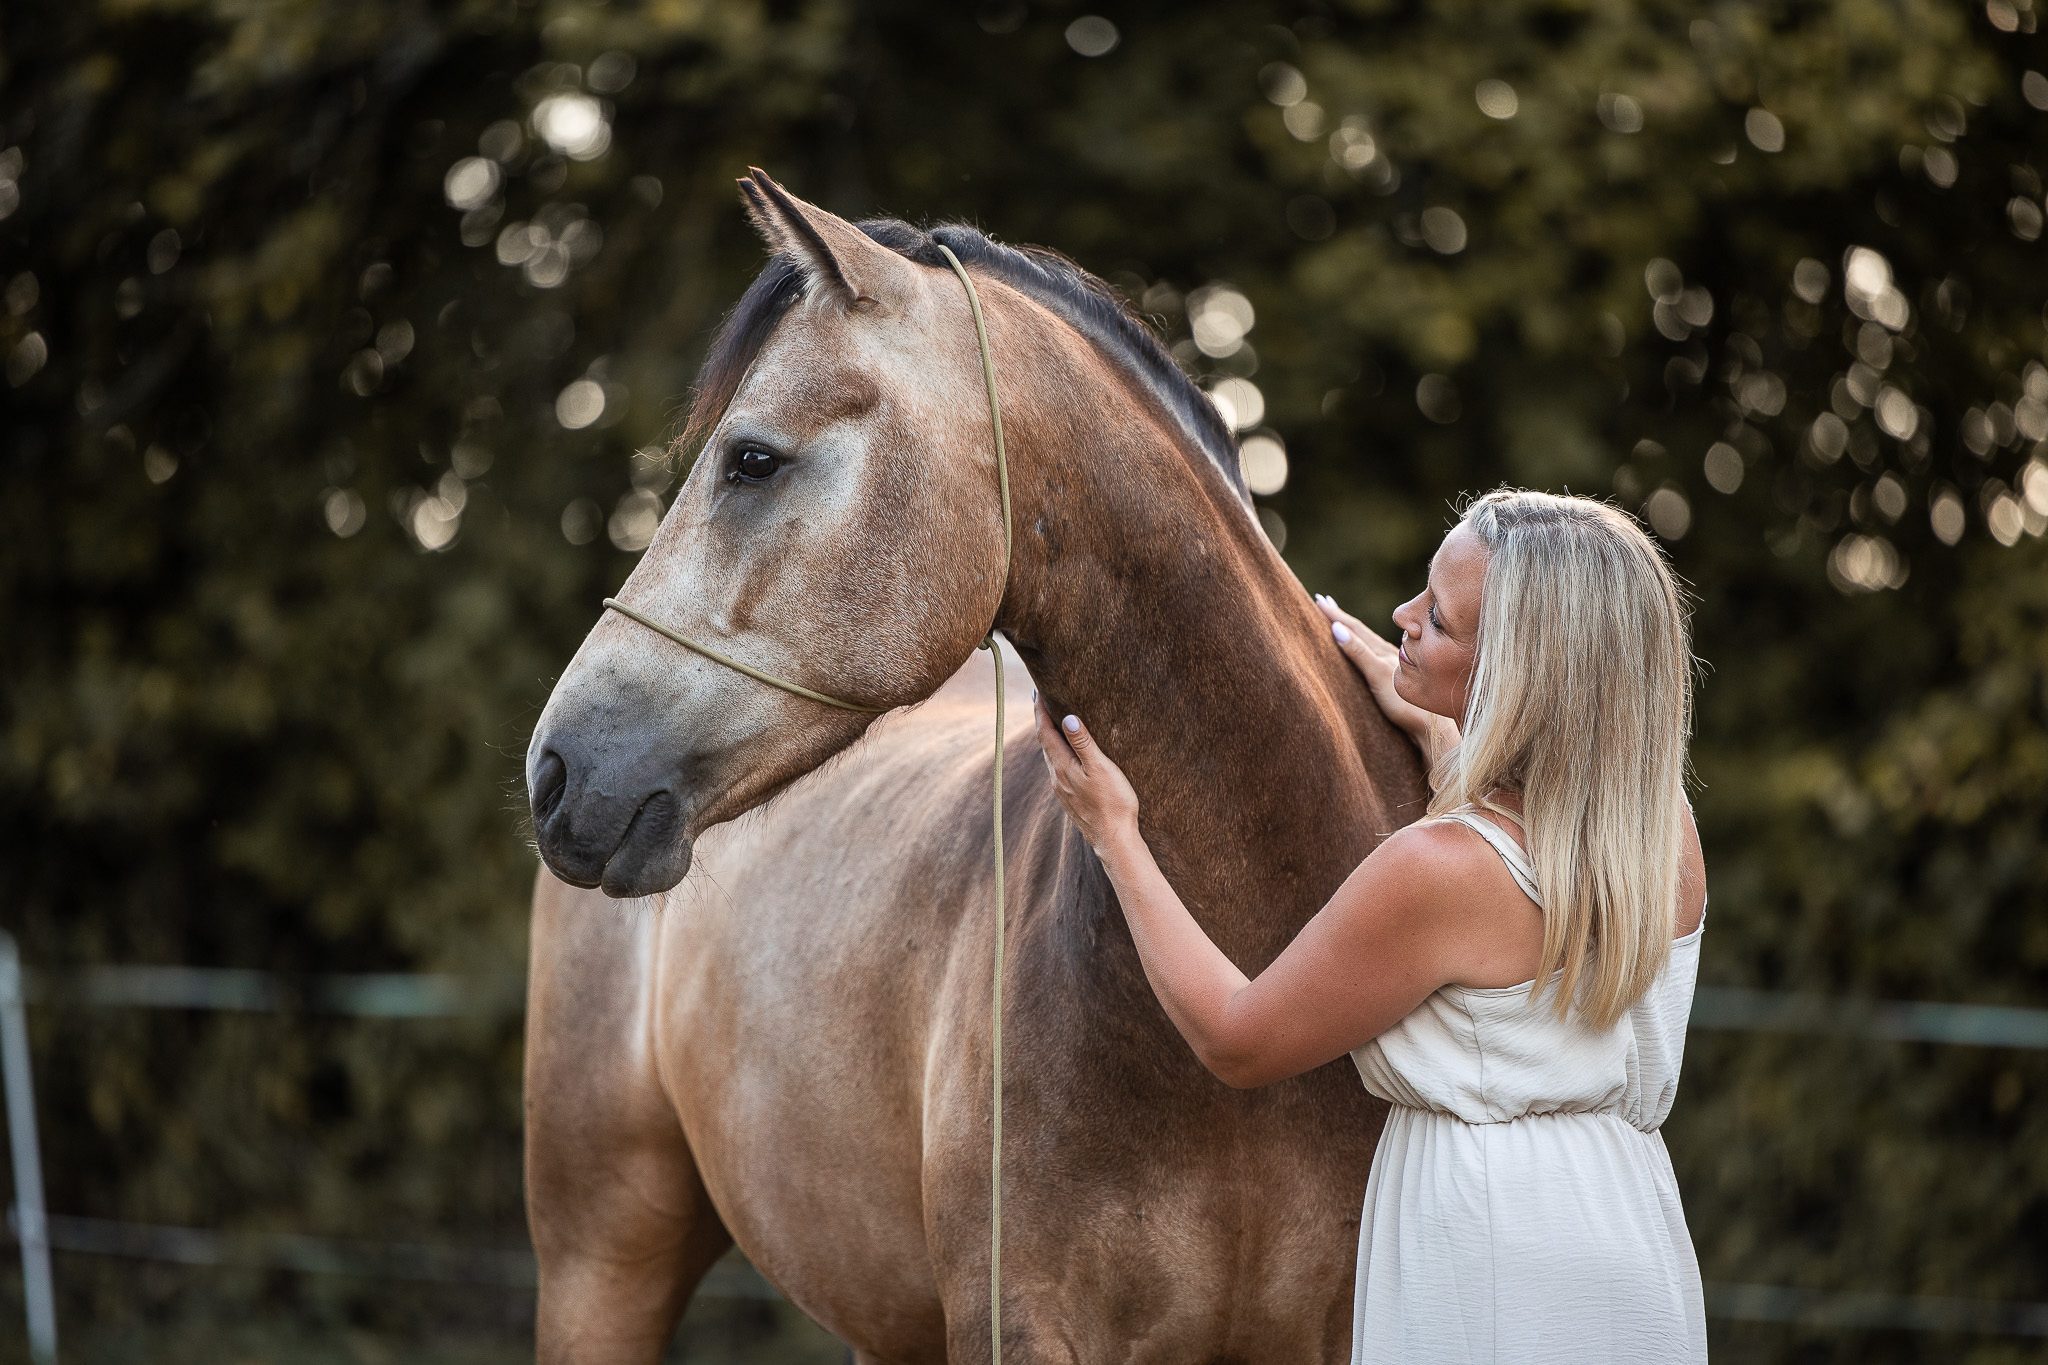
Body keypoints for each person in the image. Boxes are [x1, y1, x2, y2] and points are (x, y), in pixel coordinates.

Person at [1033, 488, 1709, 1364]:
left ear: (1517, 672)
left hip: (1486, 1250)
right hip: (1630, 1231)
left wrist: (1116, 835)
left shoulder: (1437, 870)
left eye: (1441, 618)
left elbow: (1238, 1035)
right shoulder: (1664, 833)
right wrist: (1444, 734)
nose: (1401, 617)